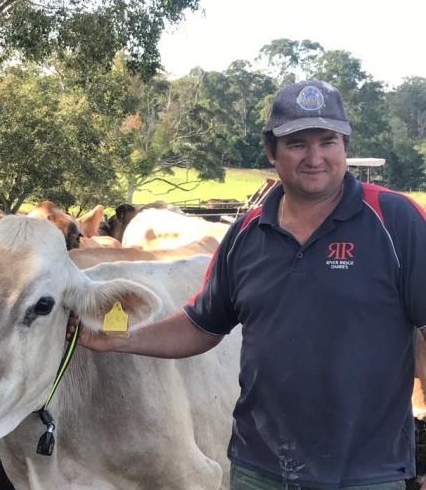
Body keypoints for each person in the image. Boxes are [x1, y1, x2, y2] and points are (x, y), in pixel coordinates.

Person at [67, 80, 426, 489]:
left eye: (327, 141)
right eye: (296, 144)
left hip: (364, 474)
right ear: (271, 151)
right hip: (259, 468)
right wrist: (117, 337)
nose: (315, 157)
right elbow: (201, 325)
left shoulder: (395, 221)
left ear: (344, 145)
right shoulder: (246, 233)